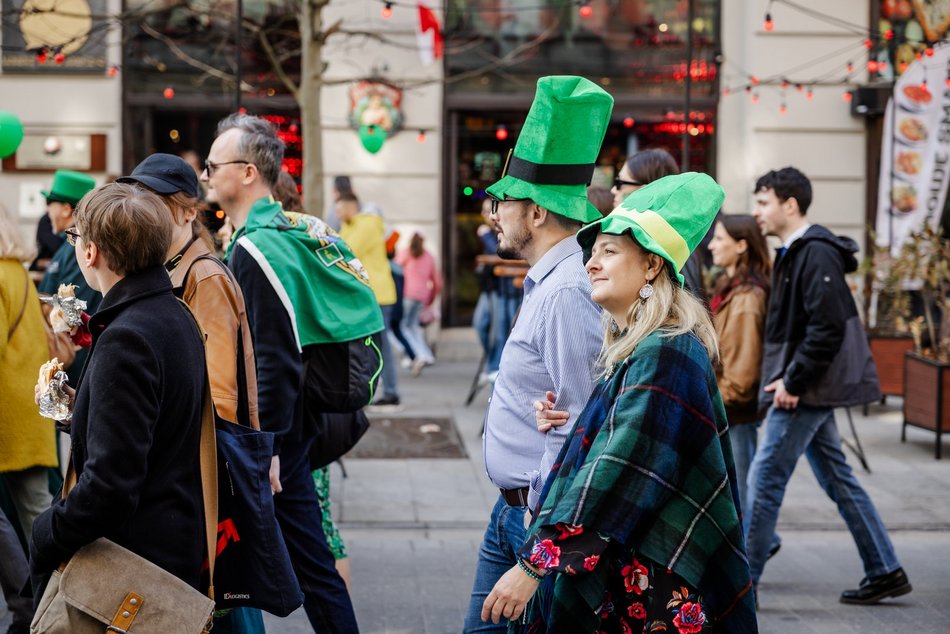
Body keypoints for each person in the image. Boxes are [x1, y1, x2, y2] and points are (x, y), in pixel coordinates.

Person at [482, 172, 757, 633]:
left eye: (608, 251)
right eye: (592, 253)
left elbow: (618, 466)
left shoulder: (667, 352)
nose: (590, 264)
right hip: (633, 574)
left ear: (651, 267)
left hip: (652, 589)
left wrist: (534, 565)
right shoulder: (642, 346)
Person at [202, 113, 361, 633]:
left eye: (212, 165)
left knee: (308, 566)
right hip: (290, 430)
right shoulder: (277, 230)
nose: (205, 175)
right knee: (311, 564)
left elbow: (271, 357)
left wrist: (263, 447)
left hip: (276, 437)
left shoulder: (255, 246)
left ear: (247, 173)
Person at [463, 75, 611, 633]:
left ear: (539, 213)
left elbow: (585, 426)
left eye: (503, 201)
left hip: (537, 520)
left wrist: (542, 548)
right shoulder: (552, 282)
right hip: (514, 513)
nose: (493, 212)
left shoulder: (568, 291)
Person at [29, 183, 208, 604]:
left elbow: (109, 489)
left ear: (90, 253)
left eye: (74, 236)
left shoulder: (128, 336)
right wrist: (80, 409)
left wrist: (45, 532)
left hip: (134, 566)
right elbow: (149, 423)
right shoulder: (171, 311)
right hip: (167, 548)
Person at [747, 166, 910, 605]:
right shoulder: (797, 251)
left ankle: (742, 586)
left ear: (790, 205)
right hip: (802, 384)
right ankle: (885, 568)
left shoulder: (814, 252)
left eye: (763, 202)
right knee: (838, 477)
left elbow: (827, 326)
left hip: (802, 388)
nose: (756, 212)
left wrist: (793, 380)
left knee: (764, 479)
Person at [1, 203, 58, 634]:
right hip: (27, 411)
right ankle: (52, 603)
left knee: (32, 515)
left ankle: (32, 606)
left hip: (8, 416)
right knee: (37, 512)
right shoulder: (15, 270)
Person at [707, 214, 771, 512]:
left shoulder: (747, 297)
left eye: (720, 239)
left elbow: (742, 375)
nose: (712, 246)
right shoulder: (729, 288)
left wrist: (712, 402)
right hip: (727, 409)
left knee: (739, 501)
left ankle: (758, 547)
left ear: (742, 245)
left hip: (734, 413)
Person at [609, 148, 706, 298]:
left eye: (620, 183)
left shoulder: (671, 245)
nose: (613, 190)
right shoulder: (645, 238)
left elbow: (689, 307)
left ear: (645, 191)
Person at [337, 192, 401, 407]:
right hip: (369, 293)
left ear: (350, 206)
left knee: (381, 347)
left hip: (378, 294)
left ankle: (391, 392)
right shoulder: (351, 224)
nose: (336, 213)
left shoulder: (366, 223)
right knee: (374, 346)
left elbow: (344, 250)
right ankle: (381, 390)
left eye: (339, 207)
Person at [37, 169, 100, 376]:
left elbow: (72, 306)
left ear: (65, 209)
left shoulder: (76, 247)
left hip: (74, 359)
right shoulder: (70, 245)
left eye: (50, 205)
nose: (47, 212)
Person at [396, 231, 442, 376]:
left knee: (403, 326)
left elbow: (395, 271)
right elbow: (437, 283)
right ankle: (426, 355)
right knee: (414, 327)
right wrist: (430, 299)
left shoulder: (405, 254)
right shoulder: (429, 257)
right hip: (422, 296)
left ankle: (415, 354)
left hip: (406, 294)